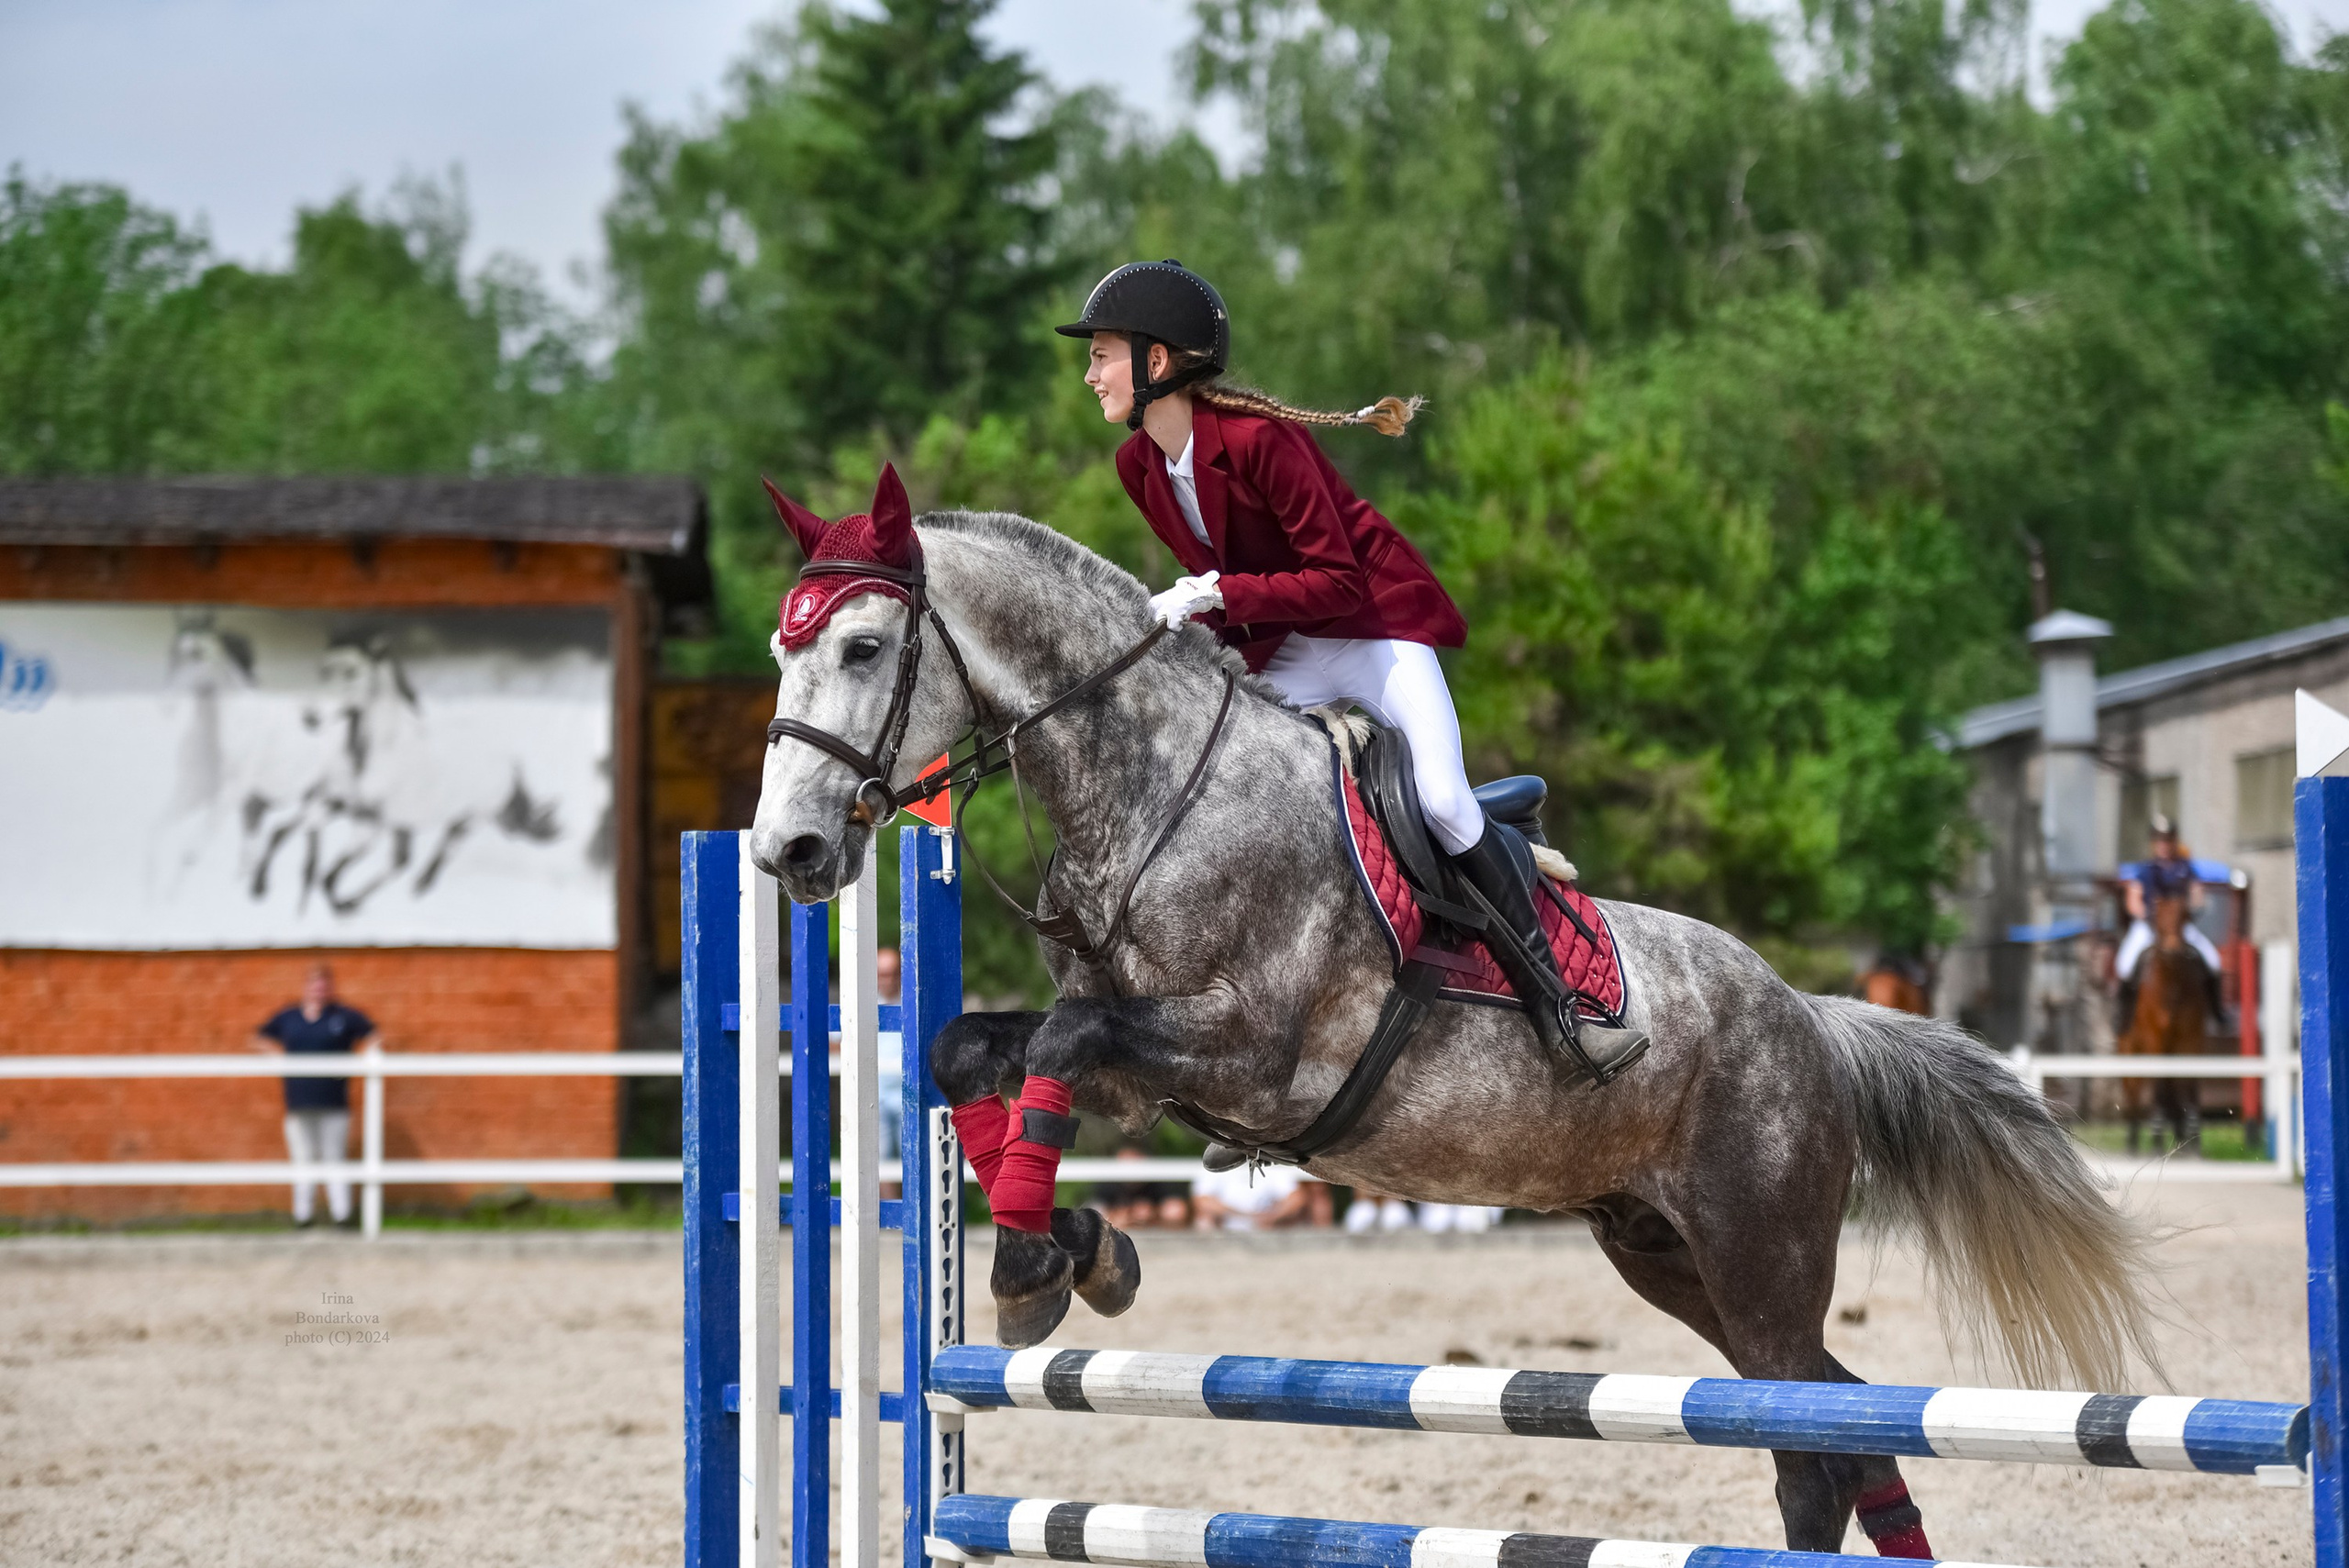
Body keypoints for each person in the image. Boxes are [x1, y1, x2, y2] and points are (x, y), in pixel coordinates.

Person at [1057, 261, 1647, 1084]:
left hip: (1375, 631)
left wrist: (1215, 592)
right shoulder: (1141, 469)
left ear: (1157, 363)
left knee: (1441, 802)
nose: (1090, 374)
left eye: (1103, 356)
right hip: (1288, 652)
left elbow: (1335, 581)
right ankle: (1264, 1049)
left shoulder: (1263, 442)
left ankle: (1563, 1007)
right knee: (1240, 802)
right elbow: (1230, 593)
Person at [248, 963, 379, 1227]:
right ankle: (303, 1216)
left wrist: (362, 1062)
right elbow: (258, 1038)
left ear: (330, 988)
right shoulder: (290, 1018)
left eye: (324, 986)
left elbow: (375, 1036)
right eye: (315, 986)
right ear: (306, 987)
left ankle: (342, 1215)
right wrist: (280, 1059)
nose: (319, 991)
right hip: (298, 1101)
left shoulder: (343, 1016)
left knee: (334, 1157)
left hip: (334, 1101)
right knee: (302, 1158)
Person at [2113, 816, 2225, 1021]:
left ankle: (2217, 1013)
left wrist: (2188, 910)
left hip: (2179, 927)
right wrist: (2151, 916)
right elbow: (2133, 900)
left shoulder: (2185, 869)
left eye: (2167, 839)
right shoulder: (2145, 870)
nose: (2164, 844)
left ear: (2174, 841)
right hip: (2149, 927)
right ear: (2154, 843)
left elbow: (2197, 895)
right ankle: (2122, 1016)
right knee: (2125, 964)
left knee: (2213, 959)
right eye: (2159, 840)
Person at [1190, 1161, 1311, 1231]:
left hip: (1269, 1226)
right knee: (1204, 1218)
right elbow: (1202, 1200)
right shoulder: (1216, 1164)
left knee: (1298, 1211)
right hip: (1224, 1225)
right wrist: (1241, 1215)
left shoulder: (1272, 1165)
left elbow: (1297, 1198)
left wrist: (1273, 1216)